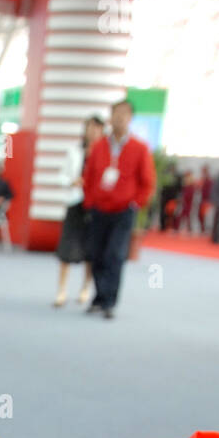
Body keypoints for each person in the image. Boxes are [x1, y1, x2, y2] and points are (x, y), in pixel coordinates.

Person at [82, 98, 154, 320]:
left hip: (124, 210)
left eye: (124, 114)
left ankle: (108, 301)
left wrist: (135, 203)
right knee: (96, 254)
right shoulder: (100, 146)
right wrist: (90, 200)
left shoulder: (139, 148)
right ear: (110, 117)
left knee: (115, 254)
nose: (120, 118)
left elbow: (148, 181)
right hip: (99, 208)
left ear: (130, 118)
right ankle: (99, 295)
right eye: (116, 114)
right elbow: (90, 175)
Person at [53, 114, 104, 306]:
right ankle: (61, 290)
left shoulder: (104, 153)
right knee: (67, 247)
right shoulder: (73, 151)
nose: (92, 131)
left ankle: (86, 288)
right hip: (75, 202)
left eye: (96, 128)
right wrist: (71, 181)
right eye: (89, 127)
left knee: (91, 249)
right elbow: (61, 176)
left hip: (95, 205)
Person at [198, 165, 213, 233]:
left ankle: (207, 229)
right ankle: (202, 229)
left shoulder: (210, 181)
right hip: (202, 200)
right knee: (200, 215)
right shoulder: (202, 180)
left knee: (206, 216)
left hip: (207, 201)